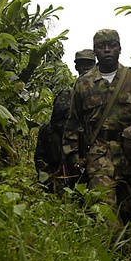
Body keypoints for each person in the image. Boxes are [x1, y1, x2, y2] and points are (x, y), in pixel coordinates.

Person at [62, 29, 131, 227]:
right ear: (95, 51)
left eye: (111, 45)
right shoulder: (83, 84)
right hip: (98, 153)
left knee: (128, 207)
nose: (107, 51)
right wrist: (74, 156)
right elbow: (74, 123)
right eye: (101, 47)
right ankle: (111, 252)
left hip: (128, 153)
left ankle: (126, 250)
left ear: (119, 48)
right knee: (105, 208)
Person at [34, 49, 96, 191]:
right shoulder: (67, 94)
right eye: (82, 64)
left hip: (95, 150)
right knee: (46, 130)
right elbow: (56, 123)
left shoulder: (105, 92)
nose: (86, 68)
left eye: (89, 64)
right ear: (76, 67)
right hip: (69, 148)